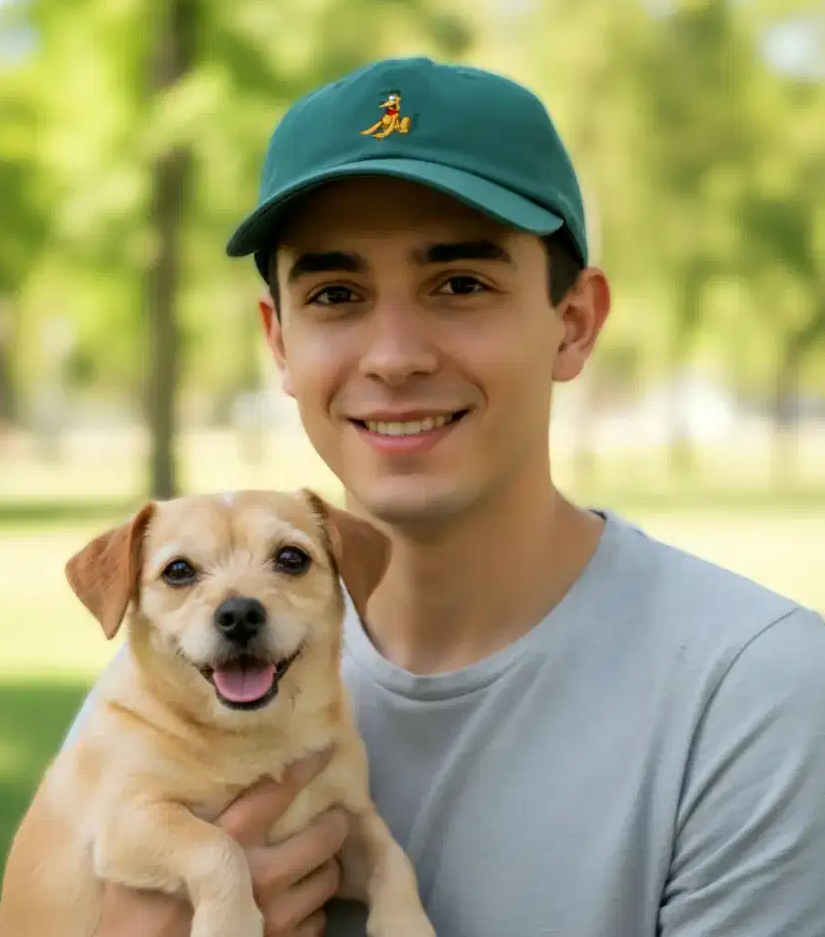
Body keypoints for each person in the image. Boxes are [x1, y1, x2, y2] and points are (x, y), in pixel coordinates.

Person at [79, 57, 825, 937]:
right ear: (279, 342)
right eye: (336, 294)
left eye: (461, 285)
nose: (395, 356)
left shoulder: (756, 700)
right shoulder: (181, 676)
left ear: (574, 323)